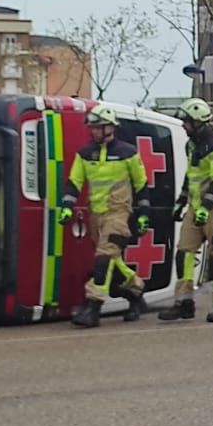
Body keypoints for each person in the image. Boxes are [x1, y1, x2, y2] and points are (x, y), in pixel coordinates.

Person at [58, 104, 150, 328]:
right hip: (96, 215)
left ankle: (93, 308)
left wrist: (143, 214)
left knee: (102, 261)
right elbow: (74, 182)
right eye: (92, 128)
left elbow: (142, 185)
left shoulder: (128, 153)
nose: (93, 132)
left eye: (97, 128)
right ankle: (135, 292)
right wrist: (67, 206)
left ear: (110, 128)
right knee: (113, 263)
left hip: (119, 214)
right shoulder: (85, 154)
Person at [161, 98, 213, 323]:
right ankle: (184, 302)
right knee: (184, 253)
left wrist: (206, 207)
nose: (183, 126)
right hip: (196, 207)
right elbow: (191, 177)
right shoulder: (191, 145)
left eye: (186, 122)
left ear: (198, 123)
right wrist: (181, 202)